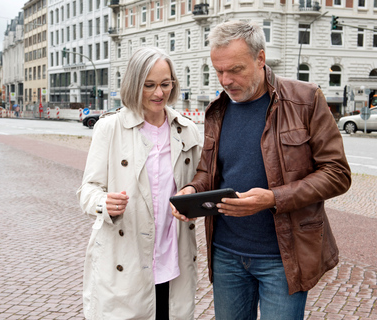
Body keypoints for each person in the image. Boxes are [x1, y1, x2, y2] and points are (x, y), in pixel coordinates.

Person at [172, 20, 351, 320]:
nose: (225, 80)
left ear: (260, 59)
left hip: (283, 257)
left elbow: (337, 173)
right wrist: (193, 189)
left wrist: (273, 198)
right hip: (226, 253)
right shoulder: (218, 110)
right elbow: (208, 170)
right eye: (219, 71)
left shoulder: (306, 99)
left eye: (235, 69)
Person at [77, 46, 202, 319]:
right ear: (134, 84)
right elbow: (87, 190)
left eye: (166, 84)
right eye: (150, 85)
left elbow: (201, 182)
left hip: (173, 257)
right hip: (125, 259)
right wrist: (103, 202)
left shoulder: (187, 130)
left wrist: (193, 195)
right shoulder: (110, 128)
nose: (159, 93)